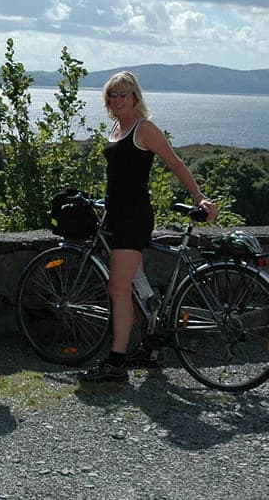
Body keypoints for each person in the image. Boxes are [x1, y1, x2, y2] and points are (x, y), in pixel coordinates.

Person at [80, 70, 218, 383]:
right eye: (113, 95)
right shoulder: (117, 126)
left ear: (135, 98)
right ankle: (150, 346)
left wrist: (200, 197)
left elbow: (175, 163)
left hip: (134, 217)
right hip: (117, 214)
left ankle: (116, 363)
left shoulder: (144, 129)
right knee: (135, 285)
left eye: (124, 95)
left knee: (117, 287)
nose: (118, 100)